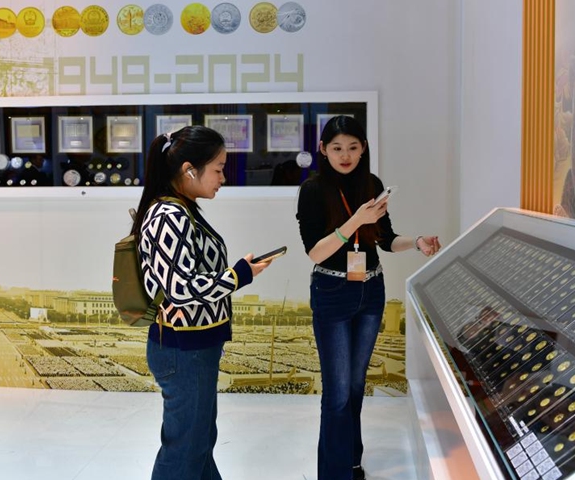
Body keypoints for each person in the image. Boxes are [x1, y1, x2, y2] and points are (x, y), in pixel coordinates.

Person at [296, 115, 441, 480]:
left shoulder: (371, 184)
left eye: (353, 147)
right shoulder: (313, 189)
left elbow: (385, 239)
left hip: (371, 291)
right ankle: (333, 473)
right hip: (331, 291)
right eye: (337, 148)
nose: (345, 155)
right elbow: (315, 251)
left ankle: (351, 462)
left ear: (364, 149)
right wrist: (354, 222)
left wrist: (416, 241)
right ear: (323, 151)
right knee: (338, 391)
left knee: (356, 386)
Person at [131, 126, 271, 480]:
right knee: (186, 448)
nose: (224, 177)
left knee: (199, 441)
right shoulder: (170, 215)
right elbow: (181, 287)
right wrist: (238, 275)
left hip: (195, 345)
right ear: (190, 170)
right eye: (219, 168)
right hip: (183, 348)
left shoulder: (182, 210)